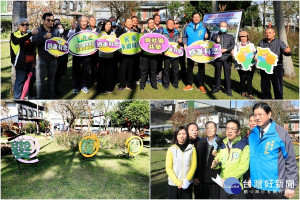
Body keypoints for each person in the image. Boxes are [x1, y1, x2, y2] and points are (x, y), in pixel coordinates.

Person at [249, 102, 298, 199]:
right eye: (255, 115)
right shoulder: (252, 134)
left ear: (269, 114)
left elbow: (290, 161)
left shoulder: (281, 133)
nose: (257, 118)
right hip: (256, 186)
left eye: (260, 114)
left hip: (274, 188)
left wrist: (290, 186)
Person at [211, 119, 249, 199]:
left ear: (238, 132)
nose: (229, 131)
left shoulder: (244, 146)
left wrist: (228, 179)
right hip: (224, 185)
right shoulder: (222, 145)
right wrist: (216, 164)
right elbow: (219, 160)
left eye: (232, 129)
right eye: (227, 128)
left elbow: (243, 167)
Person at [257, 28, 292, 99]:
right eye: (266, 33)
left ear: (274, 34)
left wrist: (287, 51)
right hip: (264, 66)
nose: (268, 34)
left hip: (276, 67)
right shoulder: (261, 42)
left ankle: (279, 99)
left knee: (277, 85)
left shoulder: (279, 42)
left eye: (270, 33)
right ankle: (267, 98)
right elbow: (257, 53)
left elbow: (284, 50)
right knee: (265, 85)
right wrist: (256, 56)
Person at [32, 12, 59, 99]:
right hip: (41, 58)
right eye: (48, 20)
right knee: (40, 80)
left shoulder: (55, 31)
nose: (50, 22)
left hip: (53, 59)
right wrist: (44, 38)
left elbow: (59, 44)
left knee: (52, 79)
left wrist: (58, 53)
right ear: (43, 20)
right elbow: (34, 42)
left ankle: (51, 95)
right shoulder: (38, 30)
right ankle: (39, 97)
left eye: (52, 20)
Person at [10, 18, 38, 99]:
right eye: (23, 24)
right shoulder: (14, 34)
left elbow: (33, 48)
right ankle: (17, 97)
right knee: (20, 80)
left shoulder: (30, 35)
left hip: (30, 62)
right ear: (18, 26)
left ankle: (26, 95)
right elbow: (17, 41)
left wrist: (34, 60)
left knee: (31, 78)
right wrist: (31, 34)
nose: (25, 26)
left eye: (27, 24)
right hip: (20, 62)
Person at [166, 126, 197, 199]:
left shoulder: (192, 148)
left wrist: (186, 180)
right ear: (176, 135)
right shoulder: (171, 149)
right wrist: (178, 182)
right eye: (179, 134)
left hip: (187, 184)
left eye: (184, 133)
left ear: (187, 135)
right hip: (173, 184)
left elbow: (193, 166)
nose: (181, 136)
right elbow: (168, 168)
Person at [182, 12, 210, 93]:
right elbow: (184, 36)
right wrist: (184, 44)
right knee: (190, 67)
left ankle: (201, 85)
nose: (196, 18)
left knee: (201, 68)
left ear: (200, 18)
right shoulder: (187, 26)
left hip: (201, 51)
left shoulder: (204, 26)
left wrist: (207, 37)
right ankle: (189, 84)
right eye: (195, 17)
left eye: (198, 17)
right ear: (192, 18)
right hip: (191, 50)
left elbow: (209, 36)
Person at [194, 121, 222, 199]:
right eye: (207, 128)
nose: (209, 130)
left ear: (216, 129)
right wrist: (196, 176)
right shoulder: (200, 143)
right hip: (202, 179)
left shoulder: (221, 143)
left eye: (211, 128)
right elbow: (197, 161)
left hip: (216, 179)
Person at [68, 15, 92, 94]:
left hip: (87, 54)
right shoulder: (75, 30)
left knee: (86, 70)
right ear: (79, 22)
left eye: (85, 21)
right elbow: (69, 39)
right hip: (77, 53)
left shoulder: (90, 30)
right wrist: (72, 29)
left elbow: (94, 41)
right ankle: (76, 87)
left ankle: (84, 86)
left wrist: (93, 50)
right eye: (82, 21)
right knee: (76, 70)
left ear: (87, 22)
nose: (84, 23)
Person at [211, 21, 235, 96]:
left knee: (227, 74)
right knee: (217, 73)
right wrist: (216, 41)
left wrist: (226, 49)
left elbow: (233, 45)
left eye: (224, 26)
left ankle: (228, 89)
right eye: (222, 26)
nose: (223, 28)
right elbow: (211, 44)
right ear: (219, 27)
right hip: (218, 58)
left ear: (227, 27)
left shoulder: (230, 37)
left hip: (227, 58)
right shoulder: (215, 35)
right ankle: (217, 87)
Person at [232, 31, 256, 99]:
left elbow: (254, 52)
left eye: (244, 36)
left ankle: (250, 93)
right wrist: (235, 56)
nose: (243, 38)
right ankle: (243, 91)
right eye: (241, 37)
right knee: (242, 78)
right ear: (239, 37)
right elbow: (235, 53)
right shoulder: (237, 44)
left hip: (250, 64)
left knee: (249, 79)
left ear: (247, 37)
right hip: (240, 65)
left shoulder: (251, 45)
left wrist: (254, 56)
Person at [115, 18, 137, 90]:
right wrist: (120, 50)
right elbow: (117, 41)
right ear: (125, 23)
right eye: (128, 22)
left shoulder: (135, 31)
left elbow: (138, 42)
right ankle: (122, 84)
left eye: (131, 22)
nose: (130, 23)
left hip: (132, 54)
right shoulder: (120, 31)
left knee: (131, 69)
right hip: (123, 54)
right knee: (123, 69)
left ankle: (130, 84)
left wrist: (139, 49)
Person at [139, 18, 161, 90]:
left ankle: (154, 84)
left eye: (153, 22)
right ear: (147, 24)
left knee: (153, 71)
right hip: (145, 55)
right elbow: (140, 41)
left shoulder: (158, 32)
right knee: (143, 70)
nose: (152, 24)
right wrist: (141, 33)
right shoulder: (144, 31)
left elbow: (161, 43)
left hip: (154, 55)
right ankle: (142, 84)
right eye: (150, 23)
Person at [97, 20, 116, 94]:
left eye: (109, 24)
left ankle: (109, 88)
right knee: (102, 74)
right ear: (104, 25)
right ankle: (101, 89)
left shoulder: (113, 34)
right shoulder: (100, 34)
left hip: (111, 56)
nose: (108, 26)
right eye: (107, 24)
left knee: (109, 73)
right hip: (102, 56)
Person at [162, 19, 181, 90]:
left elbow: (179, 43)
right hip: (166, 54)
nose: (170, 25)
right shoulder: (163, 33)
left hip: (175, 54)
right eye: (169, 23)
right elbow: (161, 44)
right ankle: (166, 84)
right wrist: (164, 52)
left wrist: (180, 41)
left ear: (174, 25)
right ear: (166, 25)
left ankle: (175, 83)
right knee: (166, 69)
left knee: (175, 69)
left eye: (172, 23)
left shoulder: (177, 32)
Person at [54, 23, 68, 96]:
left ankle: (56, 89)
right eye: (58, 27)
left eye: (61, 27)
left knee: (59, 74)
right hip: (55, 58)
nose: (60, 29)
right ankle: (52, 90)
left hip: (63, 58)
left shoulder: (65, 36)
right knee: (54, 75)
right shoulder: (54, 36)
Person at [89, 16, 101, 86]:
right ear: (89, 22)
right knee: (87, 67)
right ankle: (87, 80)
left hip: (96, 52)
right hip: (87, 51)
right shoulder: (87, 29)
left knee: (95, 66)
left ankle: (95, 79)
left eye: (94, 20)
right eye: (92, 20)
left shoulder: (98, 29)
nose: (94, 22)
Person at [174, 19, 186, 84]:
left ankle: (184, 78)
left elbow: (185, 38)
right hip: (174, 50)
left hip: (181, 49)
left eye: (177, 23)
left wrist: (182, 40)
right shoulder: (172, 31)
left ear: (178, 24)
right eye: (174, 23)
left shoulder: (182, 31)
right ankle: (175, 78)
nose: (175, 25)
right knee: (175, 64)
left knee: (183, 64)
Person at [153, 14, 164, 84]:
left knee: (159, 64)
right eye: (156, 18)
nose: (157, 20)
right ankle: (151, 77)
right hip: (152, 49)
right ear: (153, 19)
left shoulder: (162, 28)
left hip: (160, 49)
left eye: (158, 18)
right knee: (152, 64)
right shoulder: (150, 27)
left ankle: (159, 78)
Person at [131, 16, 141, 86]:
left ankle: (136, 79)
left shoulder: (139, 29)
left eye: (136, 20)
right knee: (130, 66)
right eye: (133, 20)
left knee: (137, 65)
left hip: (137, 51)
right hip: (130, 50)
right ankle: (129, 79)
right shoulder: (129, 29)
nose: (135, 21)